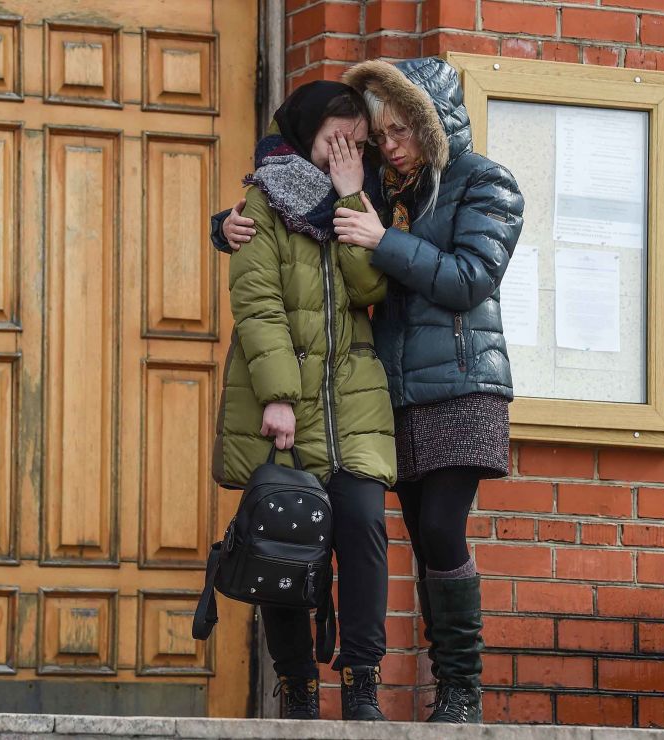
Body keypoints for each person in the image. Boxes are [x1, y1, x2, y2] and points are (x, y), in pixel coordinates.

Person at [217, 58, 524, 725]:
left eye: (396, 130)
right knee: (386, 532)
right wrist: (226, 224)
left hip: (458, 382)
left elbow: (466, 277)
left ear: (429, 120)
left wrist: (375, 229)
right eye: (375, 133)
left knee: (434, 530)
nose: (384, 145)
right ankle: (331, 687)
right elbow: (290, 206)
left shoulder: (481, 184)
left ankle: (457, 690)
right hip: (393, 388)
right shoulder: (387, 186)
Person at [211, 80, 396, 722]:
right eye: (334, 138)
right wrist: (280, 397)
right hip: (288, 409)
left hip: (354, 406)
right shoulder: (261, 201)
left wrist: (350, 199)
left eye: (357, 142)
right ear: (306, 130)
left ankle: (363, 683)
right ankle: (296, 686)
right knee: (284, 542)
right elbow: (257, 301)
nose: (346, 151)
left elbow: (370, 286)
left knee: (365, 531)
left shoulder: (362, 200)